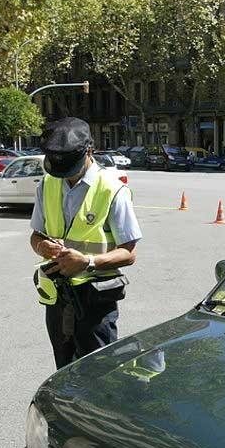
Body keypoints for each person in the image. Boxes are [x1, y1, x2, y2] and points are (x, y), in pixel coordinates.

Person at [29, 117, 141, 368]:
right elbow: (36, 236)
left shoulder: (112, 189)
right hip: (58, 297)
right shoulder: (47, 184)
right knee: (63, 370)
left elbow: (129, 253)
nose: (63, 174)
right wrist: (41, 246)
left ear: (89, 151)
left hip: (95, 303)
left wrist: (88, 262)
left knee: (99, 372)